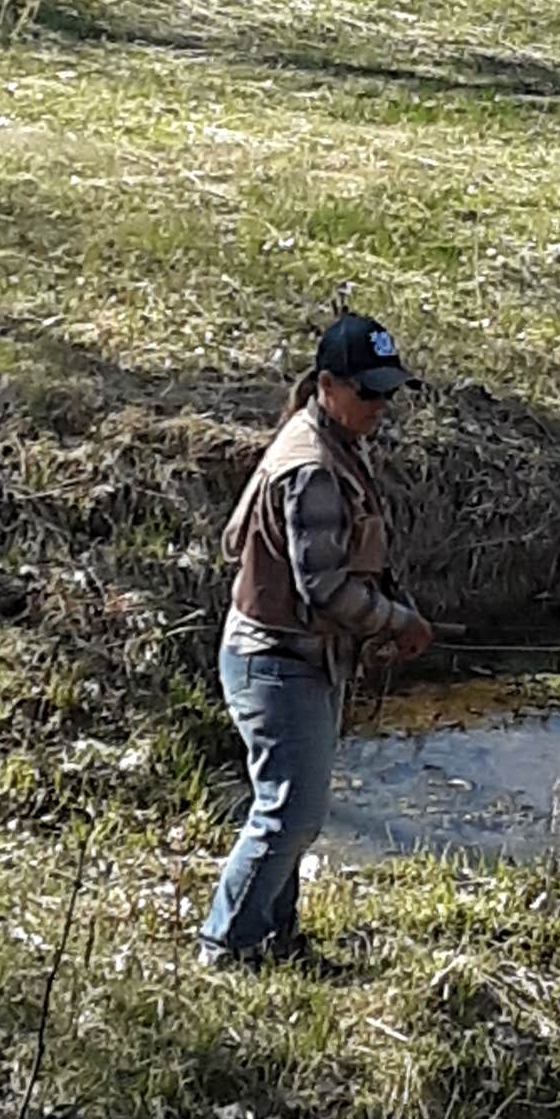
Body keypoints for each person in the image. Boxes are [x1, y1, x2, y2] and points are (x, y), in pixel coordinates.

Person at [199, 312, 434, 968]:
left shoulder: (334, 439)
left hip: (301, 659)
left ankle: (277, 941)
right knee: (288, 816)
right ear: (327, 385)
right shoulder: (313, 468)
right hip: (275, 663)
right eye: (369, 392)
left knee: (292, 811)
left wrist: (394, 608)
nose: (381, 405)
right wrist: (399, 623)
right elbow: (324, 589)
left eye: (389, 391)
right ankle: (226, 946)